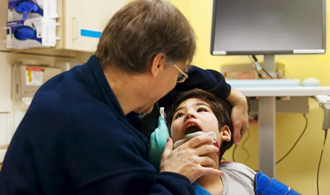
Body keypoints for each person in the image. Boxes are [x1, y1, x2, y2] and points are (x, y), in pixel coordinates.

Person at [0, 0, 248, 194]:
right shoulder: (103, 139)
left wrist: (232, 94)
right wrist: (176, 176)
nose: (178, 83)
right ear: (157, 64)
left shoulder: (70, 84)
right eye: (178, 75)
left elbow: (188, 76)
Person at [164, 88, 300, 195]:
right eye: (179, 115)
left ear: (225, 133)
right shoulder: (168, 187)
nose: (189, 114)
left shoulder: (241, 173)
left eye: (201, 109)